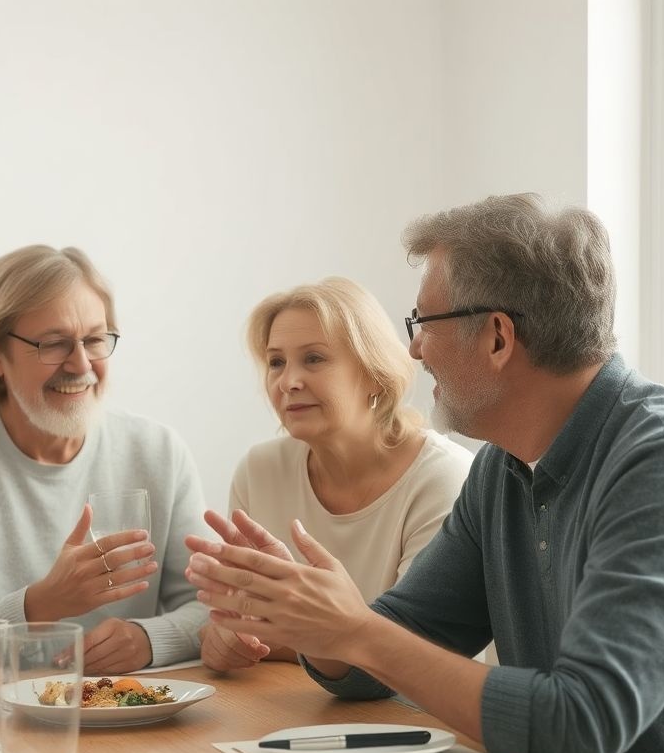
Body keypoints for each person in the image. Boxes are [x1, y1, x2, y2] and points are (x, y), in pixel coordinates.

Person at [186, 193, 664, 753]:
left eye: (424, 321)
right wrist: (314, 619)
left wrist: (355, 629)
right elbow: (387, 655)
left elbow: (581, 723)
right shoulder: (503, 471)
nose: (414, 349)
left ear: (499, 336)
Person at [0, 245, 207, 674]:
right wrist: (43, 603)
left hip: (133, 711)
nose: (81, 365)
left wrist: (149, 639)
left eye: (95, 340)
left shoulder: (159, 452)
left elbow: (210, 605)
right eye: (54, 344)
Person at [199, 277, 470, 672]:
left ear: (374, 374)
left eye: (314, 358)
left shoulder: (442, 479)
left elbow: (413, 651)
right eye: (276, 362)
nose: (288, 381)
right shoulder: (259, 472)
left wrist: (287, 637)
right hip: (287, 712)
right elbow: (238, 617)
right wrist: (221, 637)